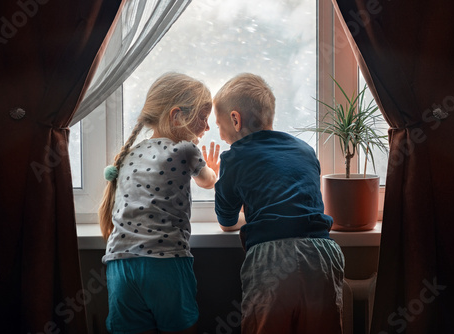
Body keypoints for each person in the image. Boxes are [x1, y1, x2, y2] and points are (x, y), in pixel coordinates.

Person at [212, 73, 345, 334]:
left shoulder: (234, 157)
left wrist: (222, 177)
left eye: (218, 124)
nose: (220, 133)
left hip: (272, 259)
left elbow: (226, 221)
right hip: (322, 254)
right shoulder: (304, 150)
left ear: (235, 119)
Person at [98, 72, 219, 334]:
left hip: (119, 264)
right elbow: (208, 181)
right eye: (202, 117)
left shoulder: (128, 155)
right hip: (164, 263)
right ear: (177, 116)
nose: (207, 127)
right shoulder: (185, 149)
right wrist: (213, 170)